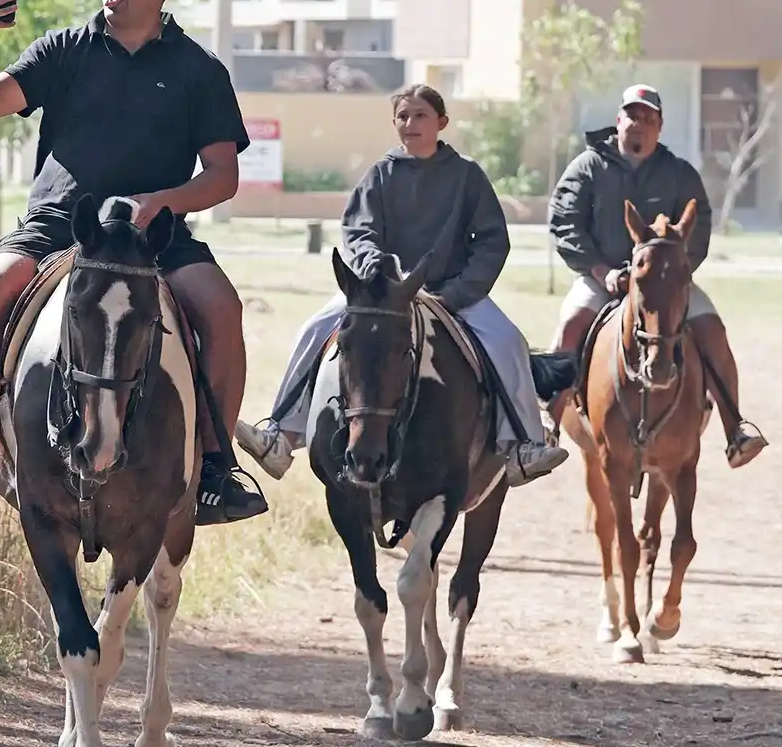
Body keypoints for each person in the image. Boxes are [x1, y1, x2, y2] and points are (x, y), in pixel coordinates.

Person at [0, 0, 268, 526]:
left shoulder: (199, 70)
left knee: (223, 309)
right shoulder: (64, 49)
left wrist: (161, 202)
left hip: (154, 236)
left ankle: (216, 468)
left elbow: (221, 177)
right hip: (61, 225)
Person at [233, 84, 571, 486]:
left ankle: (523, 447)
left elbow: (492, 241)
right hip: (383, 295)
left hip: (453, 295)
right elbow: (359, 232)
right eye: (403, 116)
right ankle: (282, 435)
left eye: (421, 115)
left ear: (442, 122)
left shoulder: (467, 176)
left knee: (507, 340)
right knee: (313, 330)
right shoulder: (379, 175)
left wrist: (459, 292)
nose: (410, 123)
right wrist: (379, 273)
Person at [543, 83, 768, 469]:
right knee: (572, 324)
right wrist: (601, 271)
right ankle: (547, 421)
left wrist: (674, 279)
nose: (639, 124)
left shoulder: (678, 174)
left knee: (712, 330)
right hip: (602, 278)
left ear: (659, 127)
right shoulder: (587, 167)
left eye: (648, 118)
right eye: (632, 115)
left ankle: (735, 428)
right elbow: (564, 224)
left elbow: (699, 229)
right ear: (618, 121)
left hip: (665, 287)